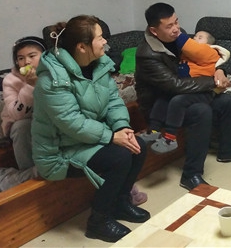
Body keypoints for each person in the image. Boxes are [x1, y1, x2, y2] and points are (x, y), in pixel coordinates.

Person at [32, 15, 149, 243]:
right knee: (119, 158)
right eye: (100, 37)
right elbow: (71, 122)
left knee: (138, 147)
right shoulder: (53, 79)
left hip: (86, 140)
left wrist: (122, 127)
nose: (105, 42)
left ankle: (120, 203)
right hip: (60, 151)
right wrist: (111, 136)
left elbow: (113, 101)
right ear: (82, 47)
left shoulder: (98, 65)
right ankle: (98, 222)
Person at [135, 3, 231, 192]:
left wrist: (220, 71)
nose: (176, 29)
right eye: (169, 26)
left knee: (225, 101)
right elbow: (175, 85)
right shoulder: (147, 54)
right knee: (201, 111)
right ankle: (191, 175)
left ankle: (227, 151)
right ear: (154, 31)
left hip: (184, 96)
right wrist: (213, 82)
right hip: (162, 105)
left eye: (176, 22)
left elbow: (205, 57)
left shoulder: (179, 35)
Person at [146, 29, 231, 154]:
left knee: (178, 101)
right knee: (163, 98)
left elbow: (193, 48)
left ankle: (170, 138)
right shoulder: (187, 55)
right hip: (187, 89)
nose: (195, 38)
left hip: (203, 91)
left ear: (209, 44)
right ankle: (153, 130)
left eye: (200, 37)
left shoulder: (209, 51)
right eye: (195, 36)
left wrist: (178, 34)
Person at [1, 36, 46, 170]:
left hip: (47, 118)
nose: (26, 62)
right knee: (22, 127)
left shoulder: (54, 73)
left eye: (32, 56)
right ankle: (28, 173)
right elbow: (17, 115)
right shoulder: (10, 80)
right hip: (22, 120)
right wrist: (30, 86)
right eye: (21, 58)